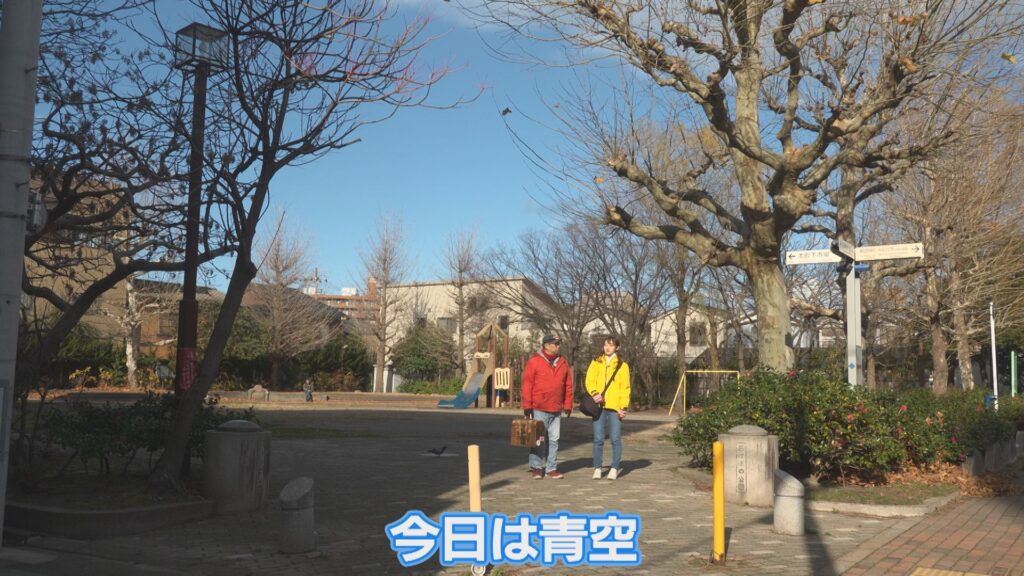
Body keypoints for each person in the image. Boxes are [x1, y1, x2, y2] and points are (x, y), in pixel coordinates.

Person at [521, 333, 574, 479]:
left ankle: (551, 468)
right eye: (555, 344)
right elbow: (527, 384)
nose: (558, 346)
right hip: (539, 407)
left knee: (554, 440)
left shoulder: (563, 362)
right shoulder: (534, 361)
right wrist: (527, 405)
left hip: (556, 408)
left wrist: (568, 404)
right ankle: (537, 467)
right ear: (546, 345)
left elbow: (568, 385)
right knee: (538, 439)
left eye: (558, 344)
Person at [585, 337, 630, 480]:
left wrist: (623, 407)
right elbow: (589, 380)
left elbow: (625, 388)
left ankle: (614, 468)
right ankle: (597, 467)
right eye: (605, 345)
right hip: (598, 406)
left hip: (615, 407)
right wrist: (594, 393)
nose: (607, 348)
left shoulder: (623, 365)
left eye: (611, 345)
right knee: (598, 438)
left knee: (615, 438)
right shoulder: (596, 361)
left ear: (617, 347)